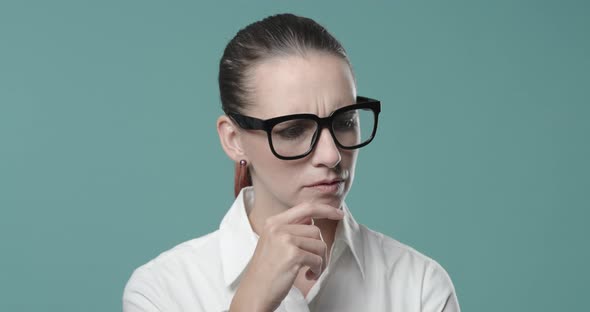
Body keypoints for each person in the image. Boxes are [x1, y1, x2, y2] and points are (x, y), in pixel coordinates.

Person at [123, 13, 460, 312]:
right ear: (233, 139)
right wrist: (250, 304)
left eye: (344, 122)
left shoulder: (419, 286)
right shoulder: (162, 291)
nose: (331, 156)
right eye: (294, 129)